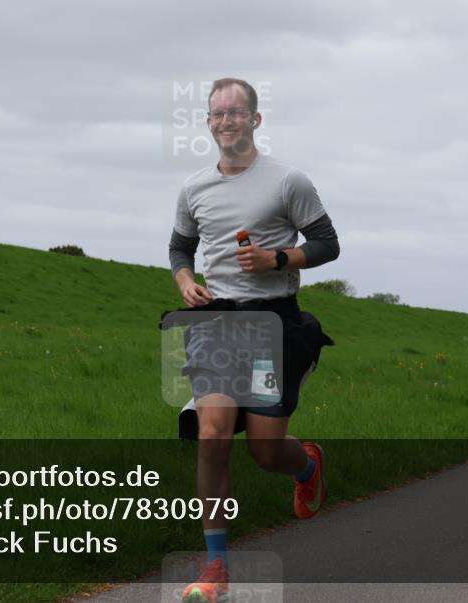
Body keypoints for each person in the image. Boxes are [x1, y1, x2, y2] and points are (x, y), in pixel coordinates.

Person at [168, 77, 339, 602]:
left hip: (272, 325)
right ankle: (216, 566)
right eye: (216, 115)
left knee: (266, 450)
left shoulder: (288, 181)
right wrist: (185, 281)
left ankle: (306, 465)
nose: (225, 122)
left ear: (255, 120)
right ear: (208, 124)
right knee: (212, 434)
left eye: (234, 113)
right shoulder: (194, 188)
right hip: (215, 323)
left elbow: (328, 243)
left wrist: (278, 260)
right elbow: (179, 248)